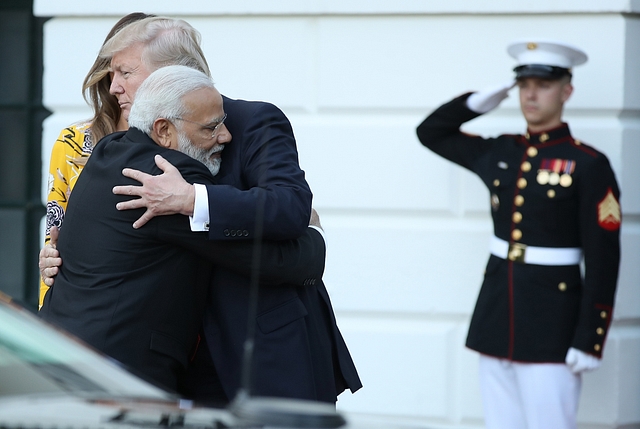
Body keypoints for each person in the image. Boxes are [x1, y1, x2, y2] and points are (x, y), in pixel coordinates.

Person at [39, 16, 362, 404]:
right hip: (158, 361)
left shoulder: (253, 122)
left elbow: (288, 204)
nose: (115, 86)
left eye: (126, 71)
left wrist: (195, 200)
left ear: (177, 73)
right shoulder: (117, 149)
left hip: (255, 355)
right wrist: (59, 258)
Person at [416, 40, 621, 429]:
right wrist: (476, 102)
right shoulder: (501, 152)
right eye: (524, 84)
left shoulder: (589, 164)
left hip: (552, 325)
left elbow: (603, 259)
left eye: (543, 84)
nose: (531, 93)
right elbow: (431, 132)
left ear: (566, 90)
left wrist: (589, 337)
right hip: (497, 314)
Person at [40, 12, 154, 308]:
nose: (115, 85)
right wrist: (49, 261)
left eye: (126, 72)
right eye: (111, 72)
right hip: (81, 309)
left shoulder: (186, 141)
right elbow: (53, 237)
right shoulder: (72, 142)